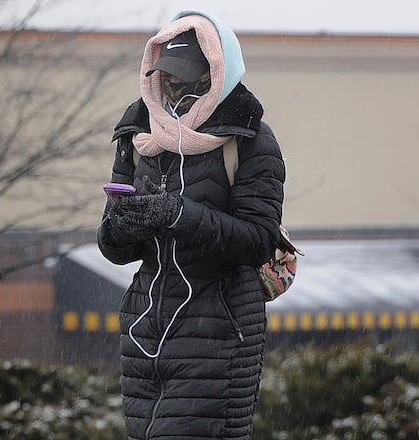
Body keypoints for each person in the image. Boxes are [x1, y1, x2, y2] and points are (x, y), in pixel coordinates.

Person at [97, 9, 286, 440]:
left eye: (191, 79)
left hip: (218, 336)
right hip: (144, 338)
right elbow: (114, 249)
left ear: (218, 74)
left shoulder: (251, 139)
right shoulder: (137, 135)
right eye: (169, 77)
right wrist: (123, 226)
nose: (176, 88)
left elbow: (256, 241)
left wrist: (177, 214)